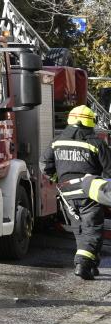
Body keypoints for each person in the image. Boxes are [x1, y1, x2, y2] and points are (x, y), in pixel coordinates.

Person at [43, 105, 110, 280]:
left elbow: (45, 165)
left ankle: (91, 264)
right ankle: (82, 264)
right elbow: (109, 170)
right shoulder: (96, 143)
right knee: (92, 229)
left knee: (80, 229)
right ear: (90, 121)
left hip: (66, 193)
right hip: (89, 191)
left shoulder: (57, 141)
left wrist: (59, 179)